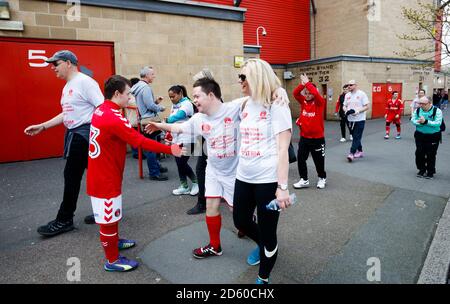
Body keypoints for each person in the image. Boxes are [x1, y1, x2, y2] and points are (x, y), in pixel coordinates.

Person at [87, 75, 181, 272]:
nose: (130, 98)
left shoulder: (103, 109)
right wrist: (170, 149)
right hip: (105, 177)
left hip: (106, 172)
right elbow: (139, 141)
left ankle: (115, 241)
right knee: (108, 220)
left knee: (112, 216)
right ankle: (112, 260)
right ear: (116, 93)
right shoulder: (112, 117)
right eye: (128, 94)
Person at [145, 77, 244, 260]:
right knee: (211, 206)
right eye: (193, 97)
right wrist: (159, 125)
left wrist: (277, 94)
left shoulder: (235, 107)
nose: (194, 100)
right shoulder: (198, 118)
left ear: (211, 95)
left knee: (238, 215)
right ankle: (215, 246)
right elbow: (180, 128)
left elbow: (259, 97)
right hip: (213, 170)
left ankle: (249, 225)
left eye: (197, 96)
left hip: (234, 173)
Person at [24, 50, 104, 237]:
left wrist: (100, 137)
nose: (53, 68)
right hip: (75, 135)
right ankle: (104, 212)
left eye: (56, 63)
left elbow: (102, 108)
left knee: (72, 175)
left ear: (69, 63)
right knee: (94, 175)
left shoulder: (85, 82)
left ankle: (64, 219)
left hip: (85, 135)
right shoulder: (68, 85)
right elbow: (67, 114)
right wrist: (43, 126)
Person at [232, 58, 293, 284]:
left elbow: (282, 149)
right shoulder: (244, 103)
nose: (239, 81)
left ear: (256, 77)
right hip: (243, 176)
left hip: (268, 179)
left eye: (243, 77)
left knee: (268, 233)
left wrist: (282, 187)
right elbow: (214, 106)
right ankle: (262, 245)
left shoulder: (276, 104)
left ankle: (263, 278)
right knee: (240, 221)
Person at [130, 66, 168, 181]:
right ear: (146, 75)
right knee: (151, 148)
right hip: (149, 119)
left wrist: (154, 103)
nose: (154, 76)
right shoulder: (145, 87)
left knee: (152, 146)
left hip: (144, 119)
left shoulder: (137, 87)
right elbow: (150, 106)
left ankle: (156, 167)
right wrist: (160, 108)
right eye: (152, 74)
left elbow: (145, 104)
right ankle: (154, 173)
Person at [292, 74, 327, 189]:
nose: (307, 95)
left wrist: (308, 83)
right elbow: (295, 93)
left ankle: (322, 178)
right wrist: (303, 85)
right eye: (306, 93)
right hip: (304, 137)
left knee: (319, 161)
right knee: (301, 158)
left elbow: (316, 94)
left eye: (309, 93)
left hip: (317, 138)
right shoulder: (303, 102)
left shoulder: (319, 103)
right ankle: (304, 179)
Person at [166, 85, 199, 196]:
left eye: (173, 96)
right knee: (178, 162)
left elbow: (177, 117)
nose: (171, 99)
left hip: (188, 138)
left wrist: (165, 121)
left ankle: (196, 182)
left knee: (182, 162)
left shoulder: (187, 104)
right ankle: (184, 186)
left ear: (180, 93)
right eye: (170, 97)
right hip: (176, 138)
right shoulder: (174, 104)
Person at [411, 96, 443, 179]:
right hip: (420, 135)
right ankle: (421, 169)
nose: (420, 105)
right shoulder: (418, 110)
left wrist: (426, 122)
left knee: (431, 154)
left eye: (423, 104)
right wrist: (418, 122)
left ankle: (430, 171)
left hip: (433, 136)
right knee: (419, 153)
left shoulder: (437, 111)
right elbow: (413, 120)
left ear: (429, 103)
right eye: (419, 103)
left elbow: (437, 123)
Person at [343, 80, 369, 162]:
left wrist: (357, 111)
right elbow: (344, 105)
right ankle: (360, 151)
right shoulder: (347, 95)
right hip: (350, 119)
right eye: (348, 85)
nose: (349, 86)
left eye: (351, 85)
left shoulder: (361, 94)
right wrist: (346, 110)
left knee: (357, 136)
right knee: (355, 136)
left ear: (355, 85)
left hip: (360, 119)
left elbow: (367, 106)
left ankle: (351, 153)